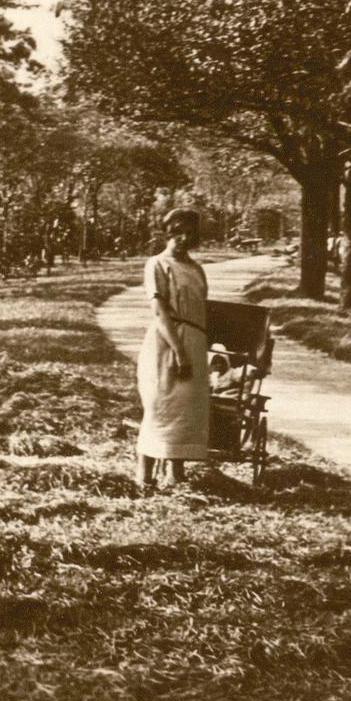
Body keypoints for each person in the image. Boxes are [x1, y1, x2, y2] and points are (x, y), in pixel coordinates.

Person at [137, 207, 211, 490]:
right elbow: (159, 312)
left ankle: (175, 474)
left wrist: (196, 348)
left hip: (195, 341)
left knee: (186, 409)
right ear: (167, 233)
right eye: (176, 232)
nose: (182, 238)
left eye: (188, 234)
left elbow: (203, 309)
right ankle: (143, 477)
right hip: (167, 341)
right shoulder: (157, 264)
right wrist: (179, 351)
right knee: (160, 406)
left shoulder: (196, 269)